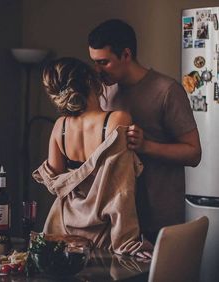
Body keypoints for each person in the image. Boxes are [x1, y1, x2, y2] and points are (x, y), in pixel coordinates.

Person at [88, 19, 202, 243]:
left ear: (126, 55)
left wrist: (146, 146)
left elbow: (194, 153)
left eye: (104, 62)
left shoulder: (167, 91)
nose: (97, 71)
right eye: (94, 62)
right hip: (115, 218)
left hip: (158, 220)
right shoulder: (104, 92)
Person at [32, 57, 153, 258]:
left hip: (64, 227)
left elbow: (54, 182)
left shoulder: (59, 127)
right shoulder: (118, 120)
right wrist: (127, 239)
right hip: (103, 231)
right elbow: (121, 191)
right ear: (90, 80)